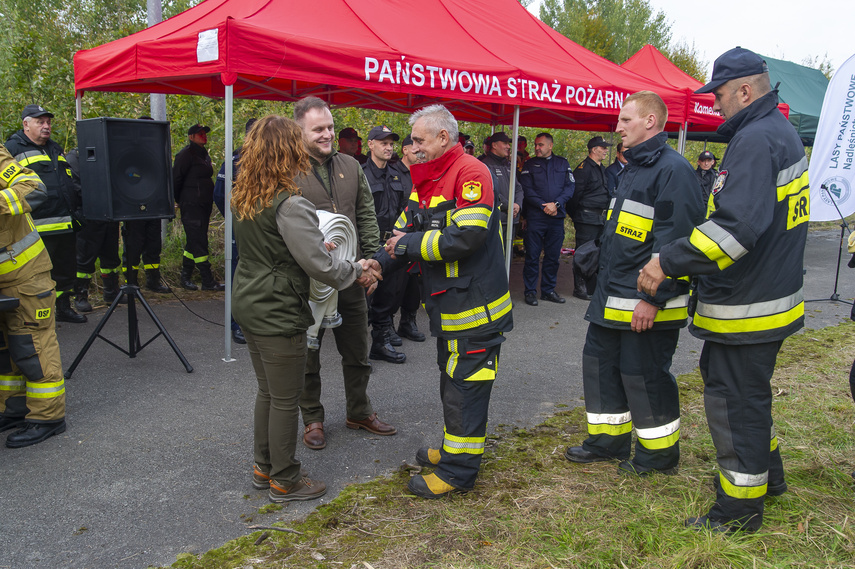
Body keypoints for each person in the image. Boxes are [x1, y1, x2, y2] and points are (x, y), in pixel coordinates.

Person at [638, 47, 809, 533]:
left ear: (746, 90)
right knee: (749, 397)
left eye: (719, 95)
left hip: (748, 305)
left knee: (735, 404)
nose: (715, 105)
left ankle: (737, 512)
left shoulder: (756, 140)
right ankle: (767, 479)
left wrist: (665, 261)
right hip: (766, 296)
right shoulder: (780, 133)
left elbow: (733, 230)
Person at [231, 115, 381, 503]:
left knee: (267, 392)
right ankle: (285, 478)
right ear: (288, 149)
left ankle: (263, 467)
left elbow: (275, 248)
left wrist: (314, 248)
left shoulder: (245, 194)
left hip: (250, 300)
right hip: (279, 308)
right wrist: (355, 267)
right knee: (284, 398)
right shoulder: (291, 203)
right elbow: (321, 267)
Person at [564, 91, 704, 479]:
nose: (618, 127)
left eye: (626, 120)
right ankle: (607, 443)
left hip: (646, 303)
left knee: (644, 377)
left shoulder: (673, 170)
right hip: (612, 298)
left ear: (650, 122)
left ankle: (658, 458)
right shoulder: (631, 168)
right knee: (600, 366)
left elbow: (676, 244)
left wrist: (653, 300)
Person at [376, 104, 513, 498]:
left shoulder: (471, 172)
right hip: (450, 309)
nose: (411, 148)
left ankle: (458, 473)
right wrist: (376, 264)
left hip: (475, 310)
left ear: (442, 138)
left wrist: (407, 246)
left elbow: (464, 238)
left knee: (466, 388)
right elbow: (401, 232)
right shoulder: (427, 179)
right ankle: (453, 450)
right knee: (452, 384)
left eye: (418, 140)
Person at [293, 97, 396, 451]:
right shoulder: (286, 169)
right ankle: (313, 419)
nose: (327, 134)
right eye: (318, 129)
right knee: (309, 352)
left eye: (330, 127)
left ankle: (359, 411)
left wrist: (370, 263)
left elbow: (366, 215)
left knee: (357, 348)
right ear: (299, 131)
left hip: (352, 274)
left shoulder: (351, 165)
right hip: (309, 281)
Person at [0, 146, 67, 448]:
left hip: (26, 273)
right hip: (4, 277)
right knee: (6, 348)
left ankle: (47, 417)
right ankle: (13, 408)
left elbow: (34, 186)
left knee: (31, 344)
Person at [5, 104, 85, 324]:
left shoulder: (54, 148)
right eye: (40, 122)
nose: (46, 126)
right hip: (35, 228)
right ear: (26, 124)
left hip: (64, 224)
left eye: (48, 122)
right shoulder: (12, 149)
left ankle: (63, 308)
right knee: (37, 275)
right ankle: (36, 314)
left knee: (65, 270)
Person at [362, 125, 408, 364]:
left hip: (391, 245)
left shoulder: (397, 175)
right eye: (383, 143)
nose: (389, 147)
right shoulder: (361, 174)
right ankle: (358, 348)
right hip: (368, 245)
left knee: (389, 296)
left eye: (391, 144)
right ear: (370, 145)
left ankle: (380, 342)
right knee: (364, 298)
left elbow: (404, 210)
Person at [214, 118, 258, 345]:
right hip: (239, 228)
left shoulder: (270, 160)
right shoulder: (235, 160)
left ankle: (256, 321)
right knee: (236, 277)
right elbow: (220, 194)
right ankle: (236, 325)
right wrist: (235, 220)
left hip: (262, 231)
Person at [519, 132, 575, 306]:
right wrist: (544, 205)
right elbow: (527, 190)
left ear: (550, 146)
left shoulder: (562, 163)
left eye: (541, 145)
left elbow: (570, 187)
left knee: (552, 257)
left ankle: (548, 290)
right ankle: (530, 292)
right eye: (536, 144)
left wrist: (556, 204)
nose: (537, 148)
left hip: (556, 217)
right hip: (536, 217)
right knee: (532, 256)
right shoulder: (529, 164)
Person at [66, 148, 122, 311]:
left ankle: (111, 292)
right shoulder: (74, 158)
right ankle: (80, 295)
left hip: (108, 214)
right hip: (87, 214)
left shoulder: (107, 155)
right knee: (83, 259)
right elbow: (76, 187)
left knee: (110, 258)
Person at [173, 124, 224, 292]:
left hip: (204, 204)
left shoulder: (204, 154)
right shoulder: (186, 154)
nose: (204, 136)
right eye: (200, 134)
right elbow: (176, 178)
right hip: (191, 204)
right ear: (191, 137)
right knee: (199, 241)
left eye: (205, 133)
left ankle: (185, 277)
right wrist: (177, 199)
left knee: (194, 240)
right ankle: (207, 280)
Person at [123, 116, 171, 296]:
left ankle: (153, 281)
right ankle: (131, 284)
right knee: (133, 246)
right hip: (132, 206)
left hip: (153, 204)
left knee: (153, 246)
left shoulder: (156, 150)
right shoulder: (128, 150)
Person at [570, 136, 612, 301]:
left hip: (600, 218)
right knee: (583, 253)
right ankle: (580, 288)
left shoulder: (601, 168)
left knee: (597, 253)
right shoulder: (584, 168)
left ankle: (592, 287)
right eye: (603, 148)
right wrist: (577, 215)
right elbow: (574, 197)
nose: (606, 151)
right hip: (586, 217)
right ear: (594, 149)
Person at [479, 131, 523, 239]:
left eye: (509, 144)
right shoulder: (485, 165)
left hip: (511, 219)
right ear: (494, 145)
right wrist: (508, 206)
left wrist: (517, 205)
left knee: (509, 255)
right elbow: (490, 190)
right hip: (495, 220)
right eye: (505, 143)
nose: (508, 147)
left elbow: (518, 188)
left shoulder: (509, 165)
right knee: (496, 254)